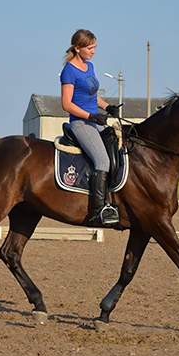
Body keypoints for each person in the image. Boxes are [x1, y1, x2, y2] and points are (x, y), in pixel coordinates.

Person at [60, 29, 120, 226]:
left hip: (94, 121)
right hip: (81, 123)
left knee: (118, 145)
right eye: (90, 47)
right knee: (102, 161)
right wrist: (91, 115)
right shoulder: (69, 70)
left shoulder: (90, 66)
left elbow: (92, 96)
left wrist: (107, 107)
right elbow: (66, 104)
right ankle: (97, 211)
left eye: (95, 47)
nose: (94, 51)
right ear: (78, 48)